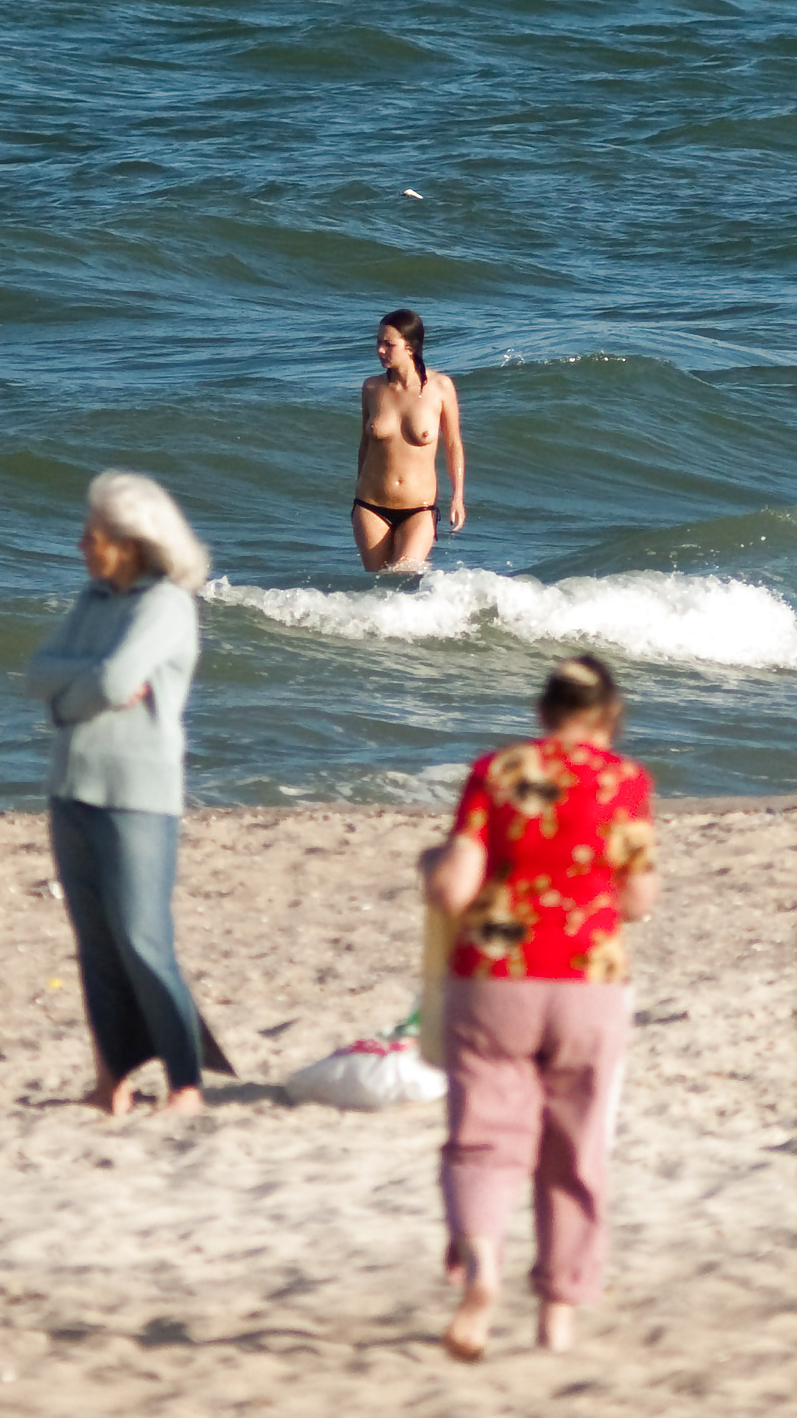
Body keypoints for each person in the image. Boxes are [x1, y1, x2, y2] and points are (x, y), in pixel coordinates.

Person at [420, 655, 657, 1359]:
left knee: (484, 1134)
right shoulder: (626, 781)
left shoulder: (496, 770)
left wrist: (434, 865)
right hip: (589, 982)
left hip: (495, 976)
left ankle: (484, 1274)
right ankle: (557, 1315)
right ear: (609, 715)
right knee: (577, 1147)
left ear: (541, 709)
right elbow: (639, 899)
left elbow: (453, 890)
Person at [26, 470, 212, 1117]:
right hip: (71, 786)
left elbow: (116, 681)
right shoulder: (93, 601)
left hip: (139, 794)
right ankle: (114, 1082)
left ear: (131, 542)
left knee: (142, 937)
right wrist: (80, 690)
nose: (82, 544)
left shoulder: (166, 605)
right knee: (96, 943)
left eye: (94, 535)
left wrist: (69, 694)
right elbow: (37, 671)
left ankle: (186, 1084)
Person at [353, 308, 464, 571]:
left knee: (404, 577)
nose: (380, 349)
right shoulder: (372, 388)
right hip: (371, 506)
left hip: (419, 508)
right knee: (379, 587)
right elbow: (365, 444)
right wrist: (357, 493)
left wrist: (457, 497)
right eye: (378, 342)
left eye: (389, 344)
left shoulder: (440, 388)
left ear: (411, 347)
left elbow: (453, 444)